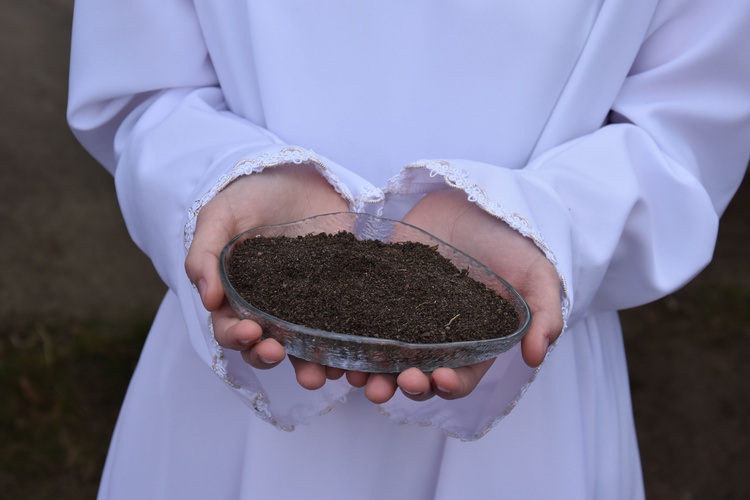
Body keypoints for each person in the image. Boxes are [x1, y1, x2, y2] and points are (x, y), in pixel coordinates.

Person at [67, 1, 750, 498]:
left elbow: (685, 129)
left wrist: (550, 223)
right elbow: (141, 84)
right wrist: (223, 179)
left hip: (528, 400)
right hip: (230, 391)